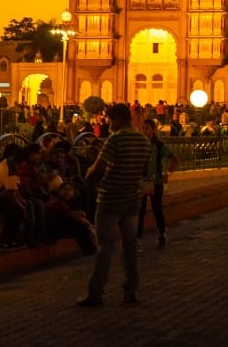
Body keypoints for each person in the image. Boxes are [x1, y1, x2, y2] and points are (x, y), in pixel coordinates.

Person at [77, 102, 152, 307]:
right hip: (132, 199)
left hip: (110, 199)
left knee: (105, 247)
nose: (108, 125)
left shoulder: (115, 139)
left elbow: (98, 169)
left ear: (118, 119)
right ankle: (131, 289)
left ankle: (96, 292)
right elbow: (145, 170)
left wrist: (90, 174)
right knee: (129, 247)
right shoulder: (144, 141)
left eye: (110, 120)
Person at [138, 118, 179, 248]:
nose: (144, 131)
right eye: (143, 128)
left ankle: (162, 233)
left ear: (153, 129)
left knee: (157, 209)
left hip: (156, 182)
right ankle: (137, 238)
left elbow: (175, 159)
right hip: (142, 182)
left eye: (147, 128)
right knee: (140, 210)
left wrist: (167, 174)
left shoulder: (160, 146)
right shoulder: (139, 145)